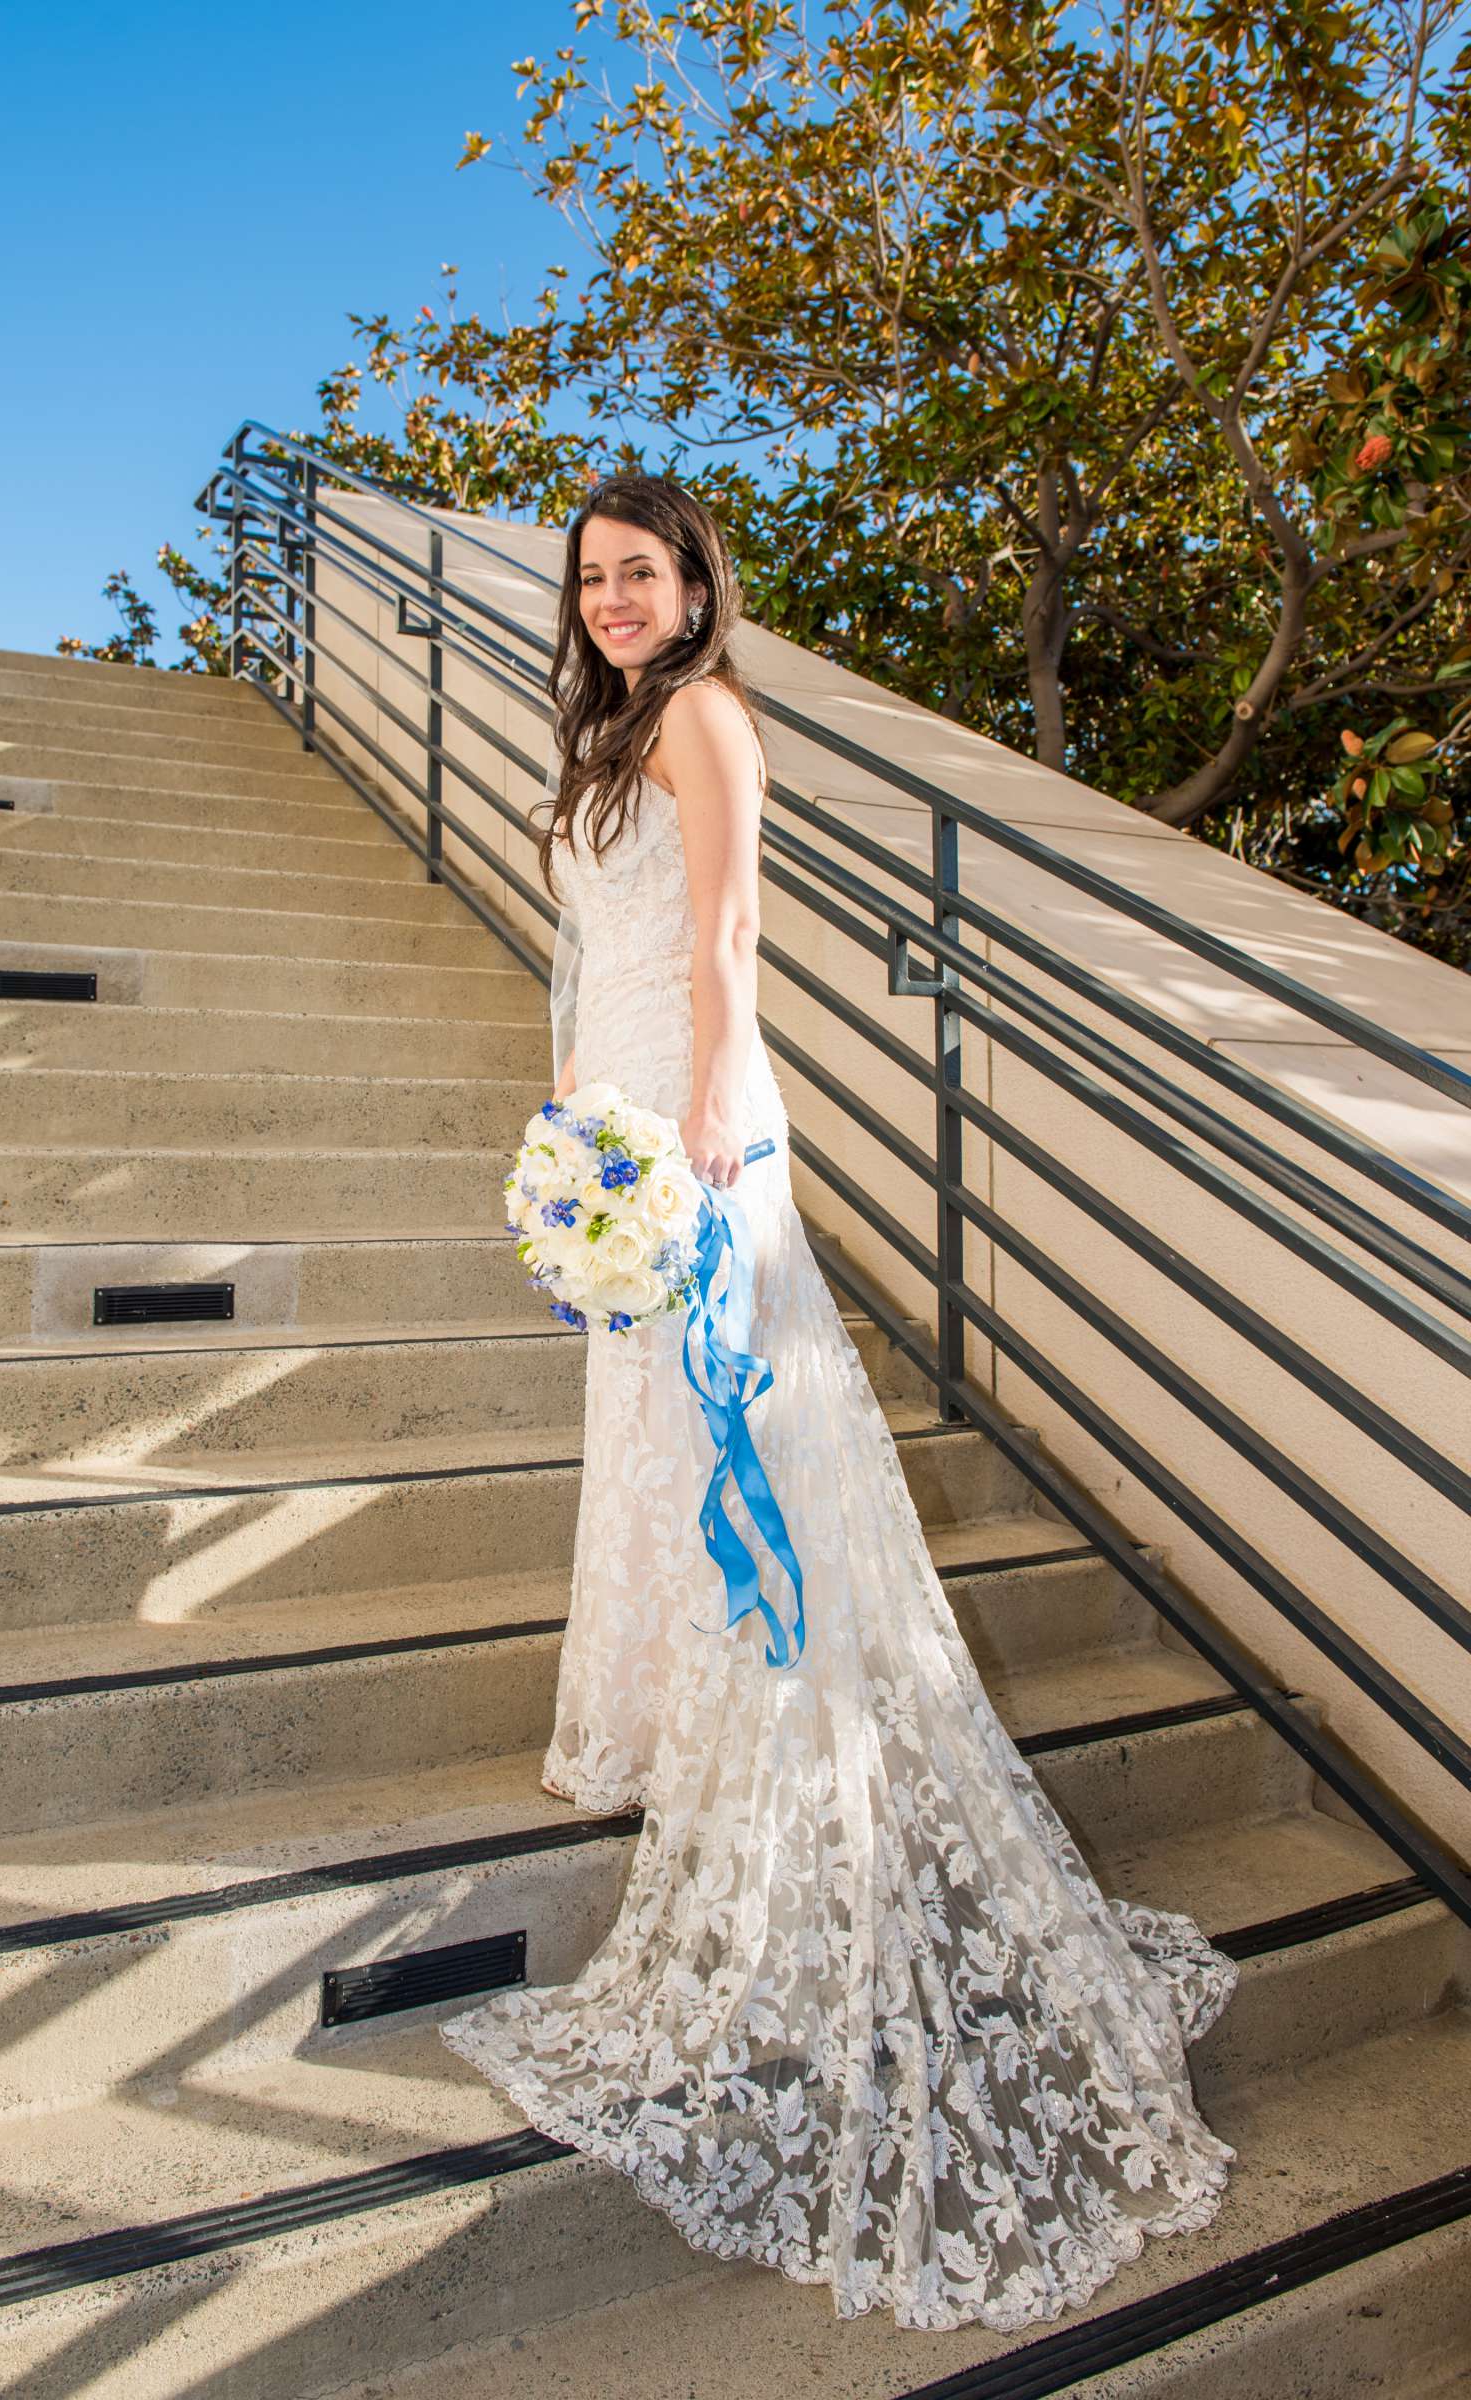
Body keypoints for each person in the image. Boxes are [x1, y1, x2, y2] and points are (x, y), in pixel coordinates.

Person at [438, 473, 1237, 2332]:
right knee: (646, 1426)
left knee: (733, 1422)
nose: (614, 599)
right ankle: (653, 1709)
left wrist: (710, 1118)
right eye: (591, 580)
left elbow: (725, 935)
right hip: (615, 1104)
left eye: (641, 573)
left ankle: (774, 1726)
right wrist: (570, 1126)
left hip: (701, 1104)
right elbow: (590, 951)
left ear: (701, 585)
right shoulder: (605, 729)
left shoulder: (710, 717)